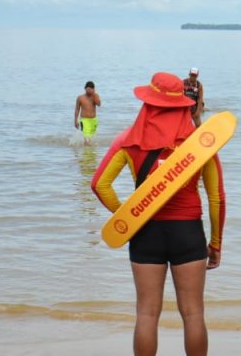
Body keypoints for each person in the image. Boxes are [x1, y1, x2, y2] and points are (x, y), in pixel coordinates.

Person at [91, 72, 225, 356]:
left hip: (145, 233)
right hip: (188, 233)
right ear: (182, 105)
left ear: (148, 103)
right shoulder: (200, 144)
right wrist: (215, 243)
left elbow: (99, 184)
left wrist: (128, 218)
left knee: (147, 314)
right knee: (193, 314)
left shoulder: (128, 139)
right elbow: (217, 198)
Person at [74, 81, 102, 145]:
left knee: (91, 139)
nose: (89, 91)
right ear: (85, 88)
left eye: (91, 89)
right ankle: (87, 153)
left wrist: (94, 94)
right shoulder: (80, 98)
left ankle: (89, 153)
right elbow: (77, 109)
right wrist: (75, 121)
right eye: (88, 89)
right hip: (84, 121)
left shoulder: (95, 96)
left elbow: (99, 104)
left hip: (93, 120)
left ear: (93, 89)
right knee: (87, 139)